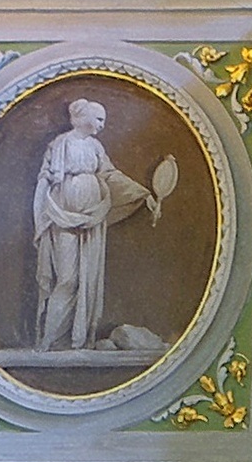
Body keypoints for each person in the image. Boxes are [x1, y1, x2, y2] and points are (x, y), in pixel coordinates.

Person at [30, 98, 166, 351]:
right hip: (63, 217)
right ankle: (49, 340)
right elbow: (45, 182)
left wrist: (143, 194)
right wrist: (46, 212)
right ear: (83, 118)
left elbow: (110, 175)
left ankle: (77, 340)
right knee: (67, 279)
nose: (102, 125)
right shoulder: (60, 144)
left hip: (94, 218)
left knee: (87, 279)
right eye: (99, 118)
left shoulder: (96, 147)